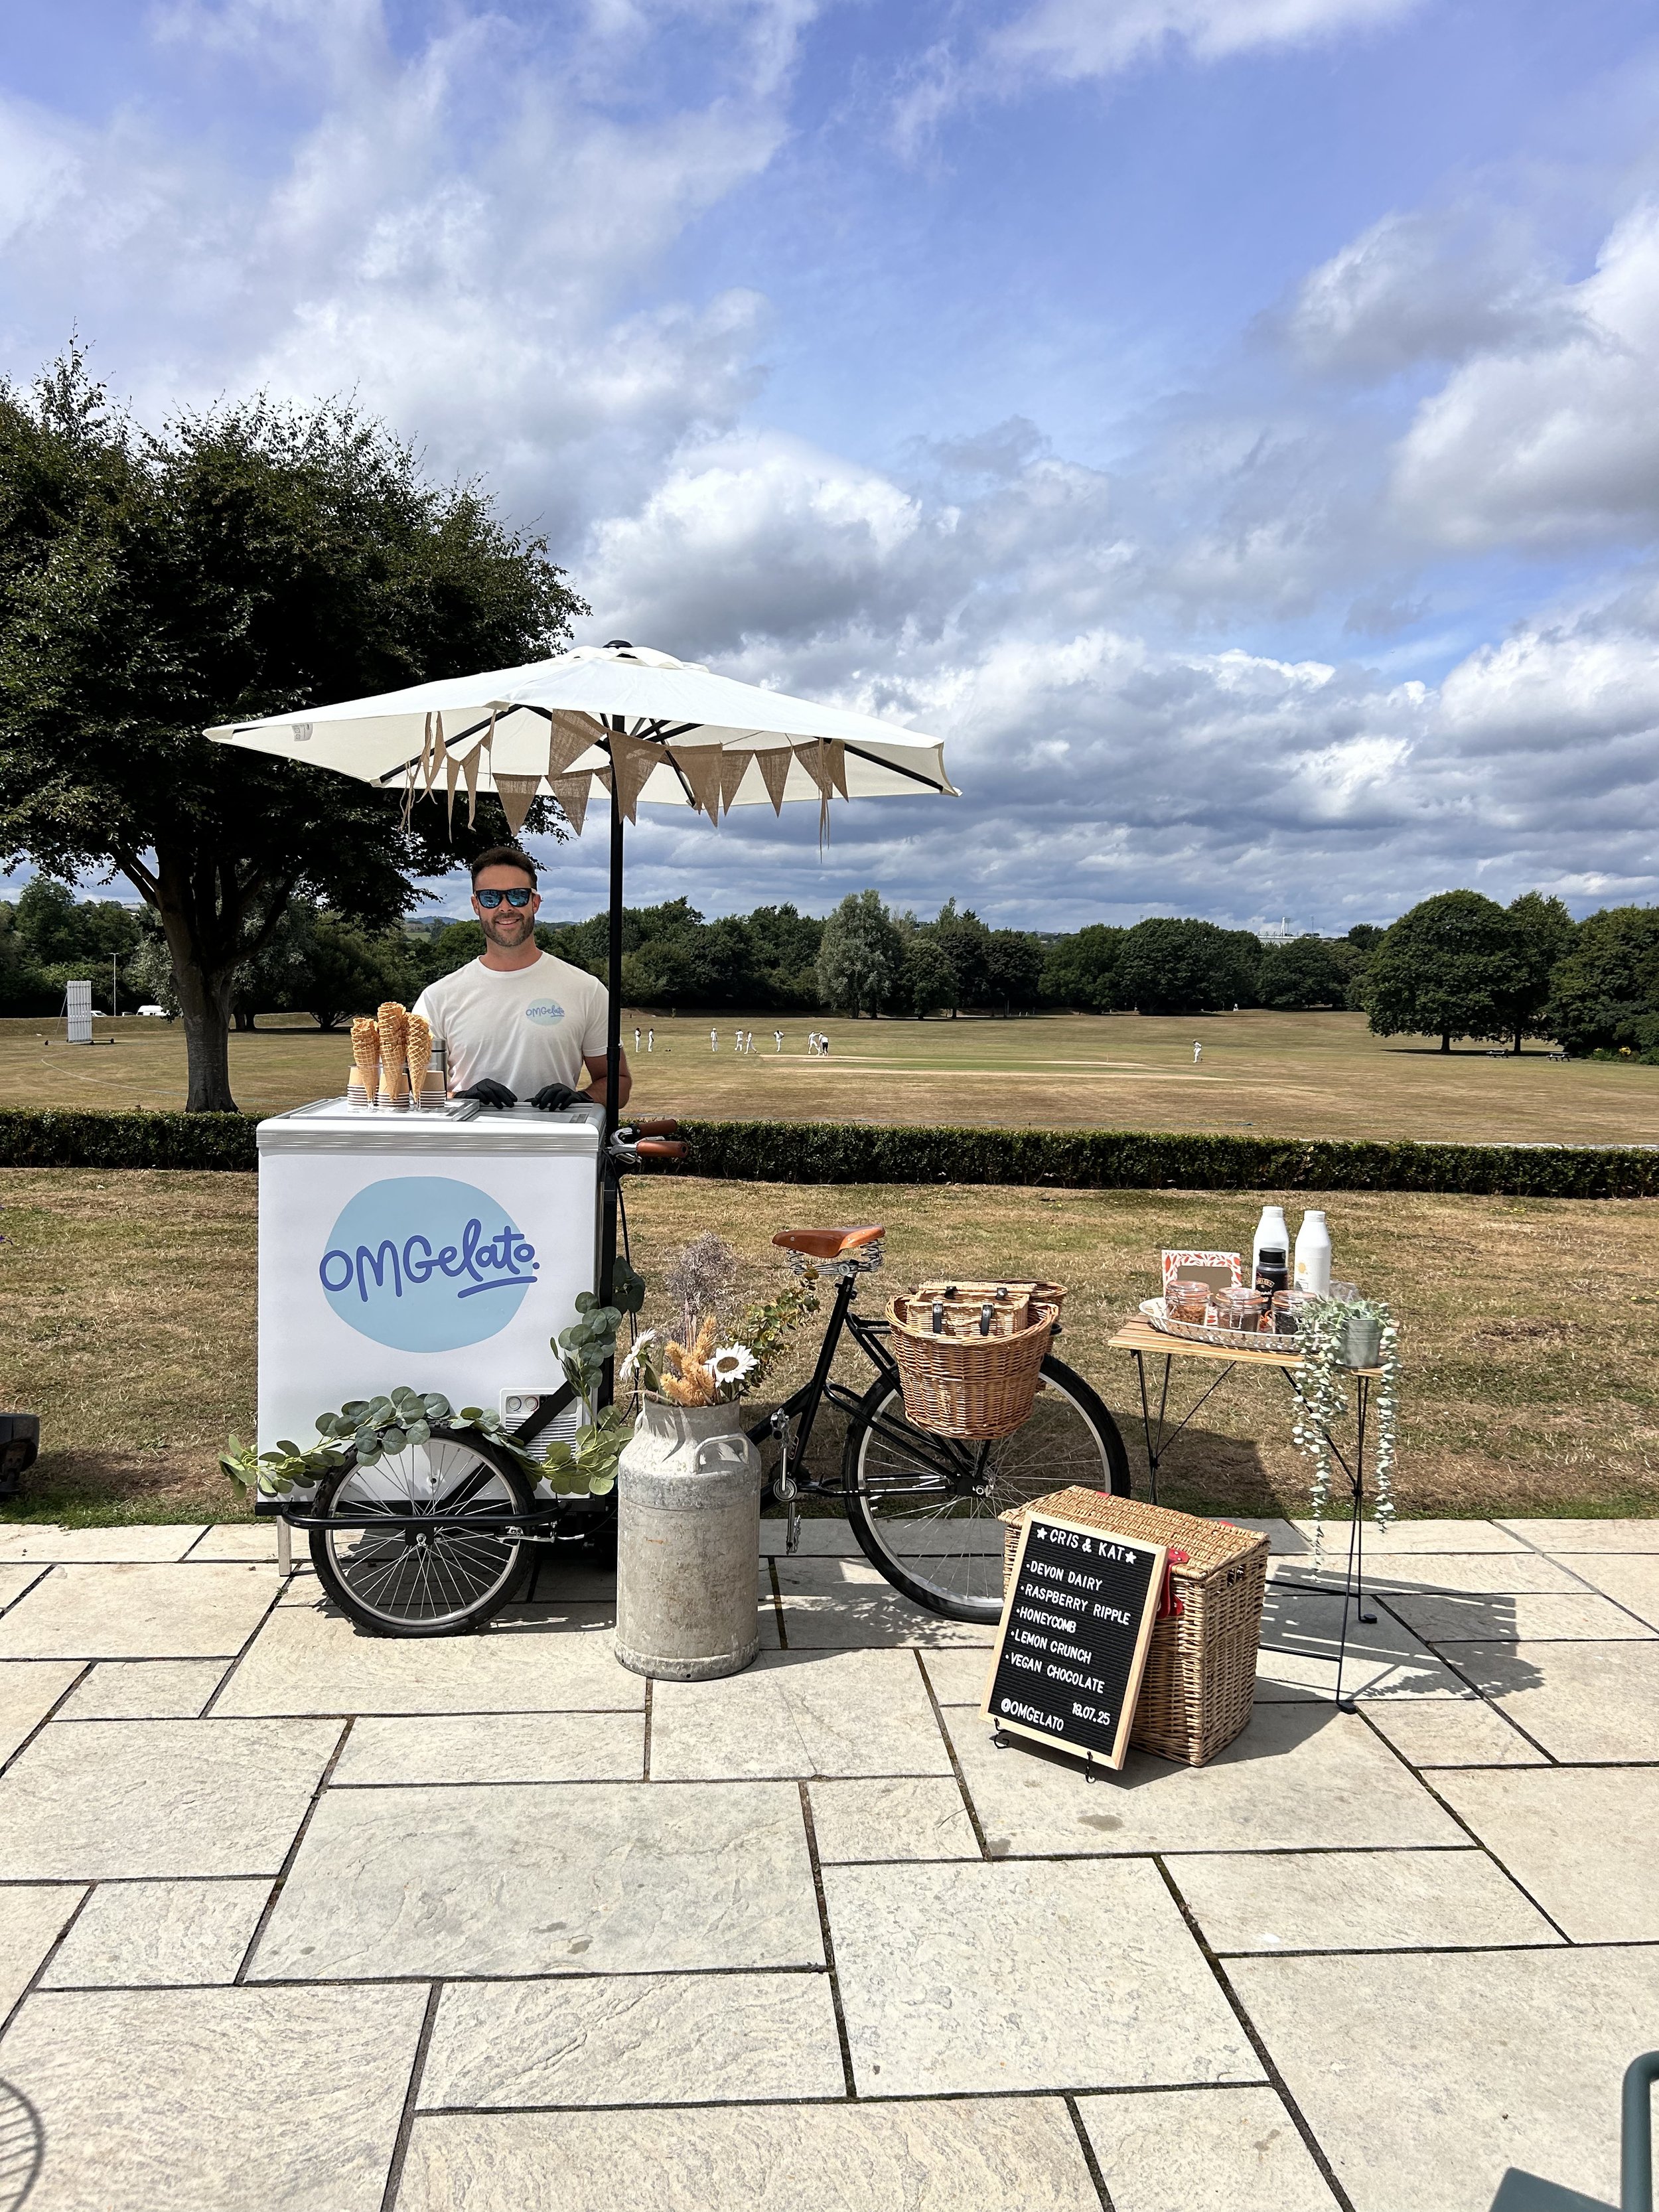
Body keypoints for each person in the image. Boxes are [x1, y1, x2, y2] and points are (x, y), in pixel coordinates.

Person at [411, 847, 630, 1111]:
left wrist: (583, 1098)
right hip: (466, 1148)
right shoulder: (437, 998)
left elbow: (618, 1082)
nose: (505, 908)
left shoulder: (586, 989)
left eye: (517, 896)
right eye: (491, 898)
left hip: (554, 1148)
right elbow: (414, 1091)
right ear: (476, 905)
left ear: (535, 902)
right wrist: (460, 1098)